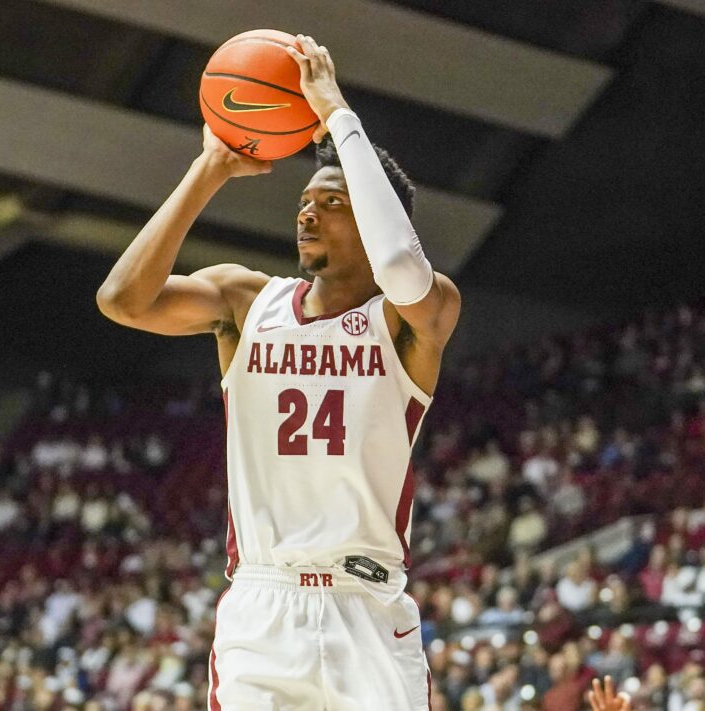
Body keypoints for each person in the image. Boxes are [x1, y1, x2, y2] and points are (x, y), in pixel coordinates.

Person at [96, 34, 460, 710]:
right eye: (304, 201)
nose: (306, 210)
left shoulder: (414, 315)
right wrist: (208, 169)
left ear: (379, 221)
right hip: (265, 604)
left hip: (368, 607)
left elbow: (403, 268)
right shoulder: (245, 299)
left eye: (333, 202)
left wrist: (337, 113)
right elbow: (122, 300)